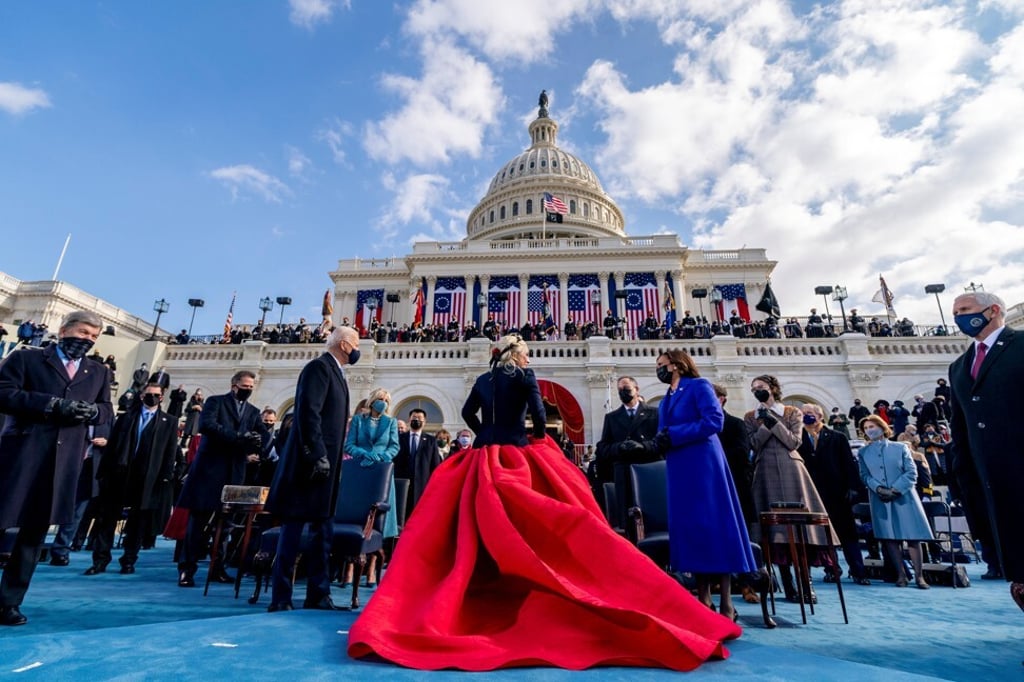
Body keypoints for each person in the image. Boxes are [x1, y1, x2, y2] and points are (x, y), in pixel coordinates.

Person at [348, 335, 740, 671]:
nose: (530, 359)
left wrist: (486, 432)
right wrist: (533, 435)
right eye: (527, 354)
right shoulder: (525, 376)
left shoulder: (485, 378)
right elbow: (538, 412)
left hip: (483, 455)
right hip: (519, 452)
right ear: (518, 356)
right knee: (558, 513)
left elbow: (467, 412)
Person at [0, 310, 113, 626]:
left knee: (33, 536)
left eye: (93, 336)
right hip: (22, 454)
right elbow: (4, 393)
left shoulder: (98, 372)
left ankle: (8, 602)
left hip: (62, 463)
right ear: (64, 330)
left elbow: (106, 409)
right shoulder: (27, 359)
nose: (87, 340)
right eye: (83, 332)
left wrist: (92, 411)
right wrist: (50, 405)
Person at [655, 351, 756, 621]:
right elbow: (663, 431)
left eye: (662, 365)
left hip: (703, 462)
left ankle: (725, 601)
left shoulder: (699, 386)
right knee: (692, 529)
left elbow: (714, 421)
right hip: (679, 466)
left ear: (676, 365)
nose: (659, 370)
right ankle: (703, 599)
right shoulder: (667, 397)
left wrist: (673, 435)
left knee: (714, 526)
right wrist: (658, 441)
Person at [264, 326, 357, 611]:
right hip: (308, 466)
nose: (357, 348)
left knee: (323, 532)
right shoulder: (318, 368)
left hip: (326, 468)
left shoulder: (337, 372)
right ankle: (281, 598)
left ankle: (318, 594)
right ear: (343, 345)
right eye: (355, 343)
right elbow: (307, 413)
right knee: (292, 531)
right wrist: (317, 454)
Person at [947, 291, 1024, 612]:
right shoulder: (959, 366)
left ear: (993, 311)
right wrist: (964, 474)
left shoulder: (1020, 346)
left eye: (965, 310)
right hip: (992, 480)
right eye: (955, 313)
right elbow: (960, 426)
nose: (959, 317)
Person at [174, 370, 270, 588]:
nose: (248, 389)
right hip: (209, 471)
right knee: (197, 524)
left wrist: (256, 442)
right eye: (245, 386)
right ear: (234, 385)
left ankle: (218, 568)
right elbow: (207, 425)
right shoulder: (215, 402)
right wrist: (238, 438)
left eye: (251, 387)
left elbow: (263, 434)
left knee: (225, 526)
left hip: (234, 473)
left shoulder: (253, 411)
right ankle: (186, 569)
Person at [746, 375, 836, 603]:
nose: (758, 391)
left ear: (773, 389)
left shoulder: (791, 412)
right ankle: (788, 585)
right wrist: (765, 422)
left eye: (762, 387)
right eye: (754, 388)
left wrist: (773, 421)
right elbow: (754, 444)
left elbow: (794, 442)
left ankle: (806, 584)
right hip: (764, 470)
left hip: (792, 470)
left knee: (798, 530)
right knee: (774, 533)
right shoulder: (750, 416)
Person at [86, 381, 178, 575]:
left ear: (161, 397)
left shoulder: (169, 421)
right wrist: (103, 473)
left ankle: (128, 560)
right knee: (107, 519)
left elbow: (170, 452)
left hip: (147, 478)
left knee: (137, 522)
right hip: (119, 474)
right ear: (142, 396)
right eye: (148, 394)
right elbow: (112, 447)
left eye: (156, 394)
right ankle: (100, 560)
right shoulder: (127, 417)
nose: (152, 397)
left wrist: (165, 477)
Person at [797, 403, 870, 585]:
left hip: (837, 492)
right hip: (813, 493)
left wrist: (854, 488)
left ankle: (858, 570)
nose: (807, 416)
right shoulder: (798, 439)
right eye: (804, 413)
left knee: (847, 534)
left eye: (810, 413)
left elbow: (848, 463)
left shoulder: (837, 437)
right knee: (822, 535)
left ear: (820, 416)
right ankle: (832, 568)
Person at [858, 415, 933, 589]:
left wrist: (895, 489)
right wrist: (878, 488)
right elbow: (864, 475)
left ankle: (919, 576)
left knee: (913, 538)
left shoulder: (900, 447)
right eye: (866, 428)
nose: (870, 430)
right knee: (890, 538)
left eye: (872, 426)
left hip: (904, 497)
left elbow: (911, 472)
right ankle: (901, 575)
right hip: (880, 498)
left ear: (882, 427)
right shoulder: (863, 452)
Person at [342, 386, 399, 586]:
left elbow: (394, 447)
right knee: (356, 518)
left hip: (381, 475)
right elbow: (348, 445)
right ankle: (349, 568)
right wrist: (364, 454)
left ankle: (373, 569)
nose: (382, 402)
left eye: (386, 399)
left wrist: (381, 457)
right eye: (380, 398)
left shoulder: (391, 422)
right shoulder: (358, 421)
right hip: (359, 472)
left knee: (378, 522)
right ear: (372, 400)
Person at [594, 375, 660, 531]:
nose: (623, 392)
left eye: (627, 389)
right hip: (623, 472)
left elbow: (661, 441)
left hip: (649, 469)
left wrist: (643, 446)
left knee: (652, 515)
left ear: (636, 389)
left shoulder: (654, 413)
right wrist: (619, 447)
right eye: (620, 390)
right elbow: (603, 447)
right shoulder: (612, 417)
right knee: (627, 518)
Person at [395, 408, 441, 516]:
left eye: (419, 418)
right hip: (402, 481)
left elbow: (435, 464)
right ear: (409, 420)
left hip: (422, 483)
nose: (416, 420)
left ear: (424, 422)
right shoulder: (399, 438)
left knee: (419, 514)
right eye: (414, 417)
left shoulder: (431, 440)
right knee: (401, 512)